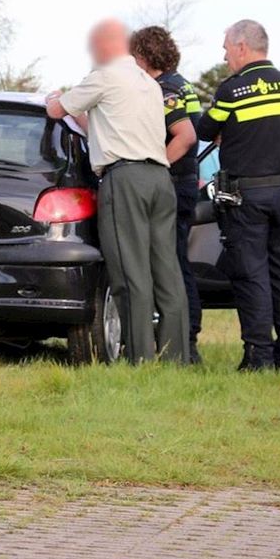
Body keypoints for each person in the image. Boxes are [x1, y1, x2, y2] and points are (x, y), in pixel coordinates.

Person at [46, 19, 190, 364]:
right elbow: (106, 126)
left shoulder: (104, 76)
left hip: (125, 180)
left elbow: (57, 110)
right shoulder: (149, 84)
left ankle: (140, 358)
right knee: (167, 272)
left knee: (130, 271)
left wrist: (54, 97)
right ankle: (176, 358)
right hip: (160, 179)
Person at [195, 19, 280, 373]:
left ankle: (259, 356)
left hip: (248, 195)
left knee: (251, 275)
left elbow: (205, 130)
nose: (225, 57)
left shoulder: (232, 90)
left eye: (226, 49)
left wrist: (229, 131)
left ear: (242, 47)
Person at [129, 26, 203, 364]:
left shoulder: (164, 89)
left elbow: (185, 137)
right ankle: (184, 339)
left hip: (173, 182)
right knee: (175, 261)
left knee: (172, 265)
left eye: (133, 56)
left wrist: (157, 169)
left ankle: (185, 341)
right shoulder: (182, 83)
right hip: (184, 181)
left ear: (144, 56)